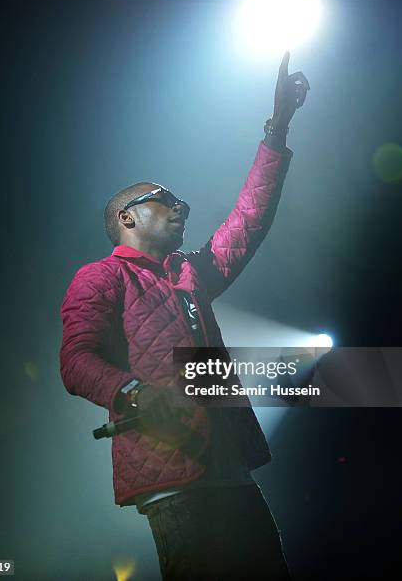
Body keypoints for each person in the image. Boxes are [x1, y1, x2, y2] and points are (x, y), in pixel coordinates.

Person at [60, 52, 309, 580]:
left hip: (231, 468)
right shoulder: (101, 278)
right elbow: (75, 360)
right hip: (173, 474)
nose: (181, 207)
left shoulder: (191, 273)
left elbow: (249, 221)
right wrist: (131, 392)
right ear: (127, 217)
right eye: (163, 200)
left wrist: (277, 127)